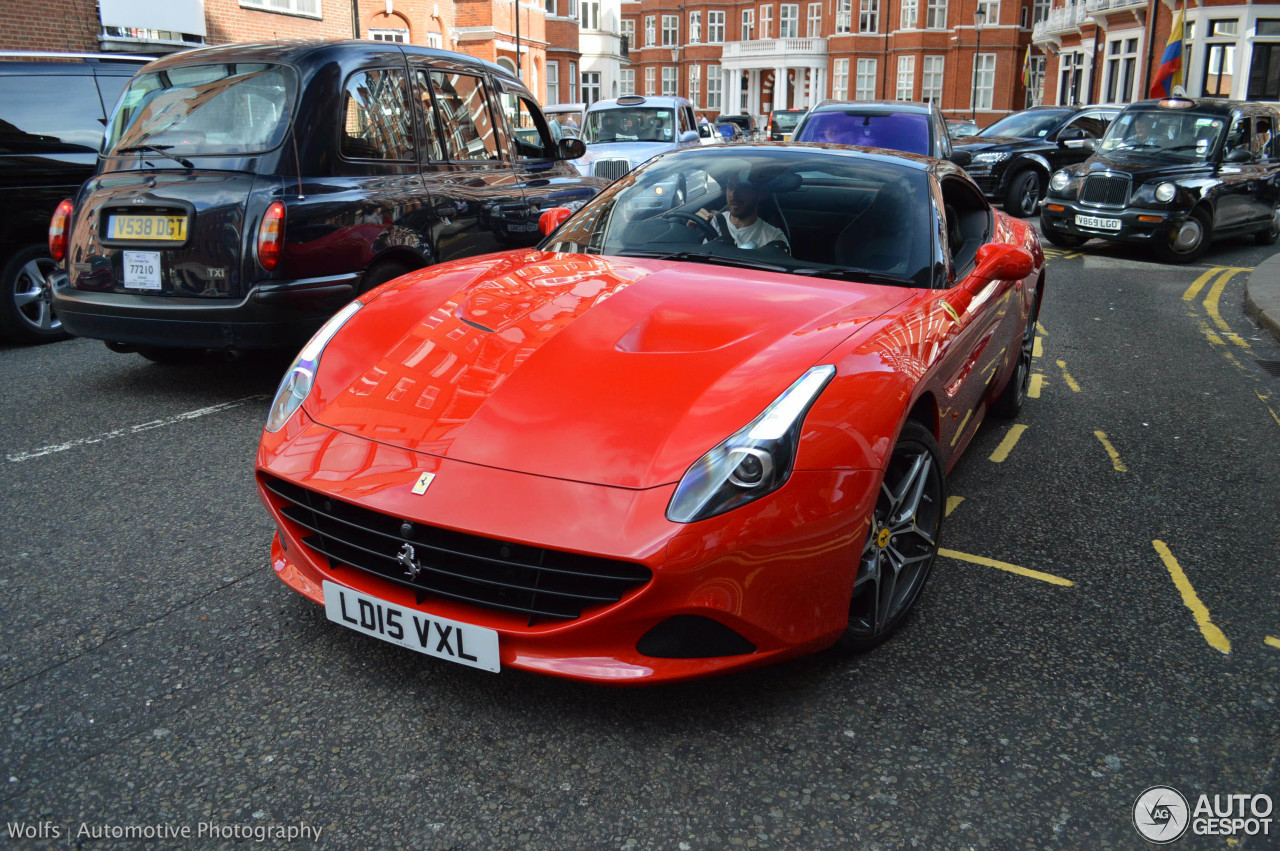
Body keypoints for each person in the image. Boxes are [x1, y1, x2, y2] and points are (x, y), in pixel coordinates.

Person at [691, 172, 789, 250]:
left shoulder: (774, 237)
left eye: (743, 187)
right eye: (730, 186)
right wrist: (692, 231)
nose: (734, 193)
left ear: (759, 195)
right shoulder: (711, 222)